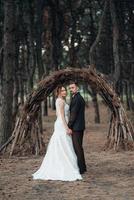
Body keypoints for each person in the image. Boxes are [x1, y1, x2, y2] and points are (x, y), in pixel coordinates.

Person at [32, 85, 82, 181]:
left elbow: (57, 114)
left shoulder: (58, 101)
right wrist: (67, 127)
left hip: (59, 122)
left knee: (62, 143)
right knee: (64, 142)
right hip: (62, 123)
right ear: (58, 92)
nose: (65, 92)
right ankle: (64, 164)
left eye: (65, 90)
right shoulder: (61, 101)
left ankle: (61, 162)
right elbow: (62, 116)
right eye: (62, 91)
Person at [68, 81, 87, 174]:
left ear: (77, 88)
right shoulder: (78, 97)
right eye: (70, 88)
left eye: (73, 87)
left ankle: (81, 169)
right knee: (79, 147)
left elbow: (73, 114)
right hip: (80, 126)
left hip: (76, 127)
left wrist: (69, 126)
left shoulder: (77, 99)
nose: (71, 90)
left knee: (77, 148)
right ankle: (83, 167)